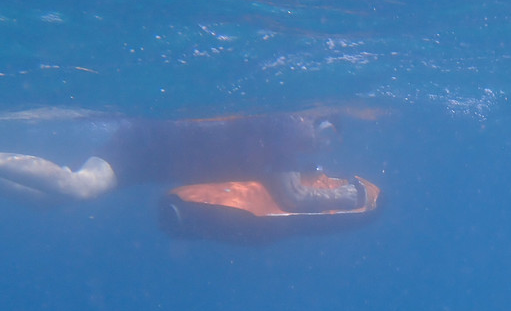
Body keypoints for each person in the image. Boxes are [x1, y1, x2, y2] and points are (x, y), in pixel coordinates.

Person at [0, 110, 367, 213]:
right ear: (316, 121)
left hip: (150, 153)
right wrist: (350, 195)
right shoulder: (284, 130)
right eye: (327, 136)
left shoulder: (278, 131)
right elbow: (294, 198)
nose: (322, 147)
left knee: (51, 199)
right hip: (145, 149)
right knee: (76, 187)